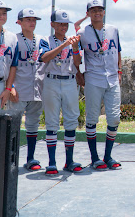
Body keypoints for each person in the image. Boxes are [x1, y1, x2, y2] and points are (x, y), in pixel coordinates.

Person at [75, 0, 122, 171]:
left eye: (100, 10)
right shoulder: (82, 32)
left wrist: (120, 71)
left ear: (104, 12)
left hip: (112, 78)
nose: (97, 13)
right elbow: (77, 57)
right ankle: (95, 157)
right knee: (92, 118)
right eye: (93, 10)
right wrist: (79, 74)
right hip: (93, 78)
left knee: (114, 117)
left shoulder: (113, 29)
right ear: (87, 14)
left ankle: (108, 156)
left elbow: (118, 51)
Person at [39, 9, 82, 176]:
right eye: (60, 23)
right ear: (52, 25)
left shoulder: (72, 40)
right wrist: (64, 45)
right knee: (52, 121)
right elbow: (44, 57)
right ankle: (51, 162)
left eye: (66, 24)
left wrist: (76, 46)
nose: (63, 27)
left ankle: (69, 161)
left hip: (69, 80)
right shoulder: (46, 40)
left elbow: (77, 63)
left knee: (71, 119)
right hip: (51, 80)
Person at [9, 9, 46, 172]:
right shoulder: (13, 40)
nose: (32, 22)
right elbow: (7, 65)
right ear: (19, 22)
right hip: (19, 88)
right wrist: (11, 87)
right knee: (13, 126)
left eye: (34, 19)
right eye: (27, 19)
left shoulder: (42, 40)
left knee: (33, 125)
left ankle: (30, 158)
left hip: (37, 89)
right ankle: (11, 159)